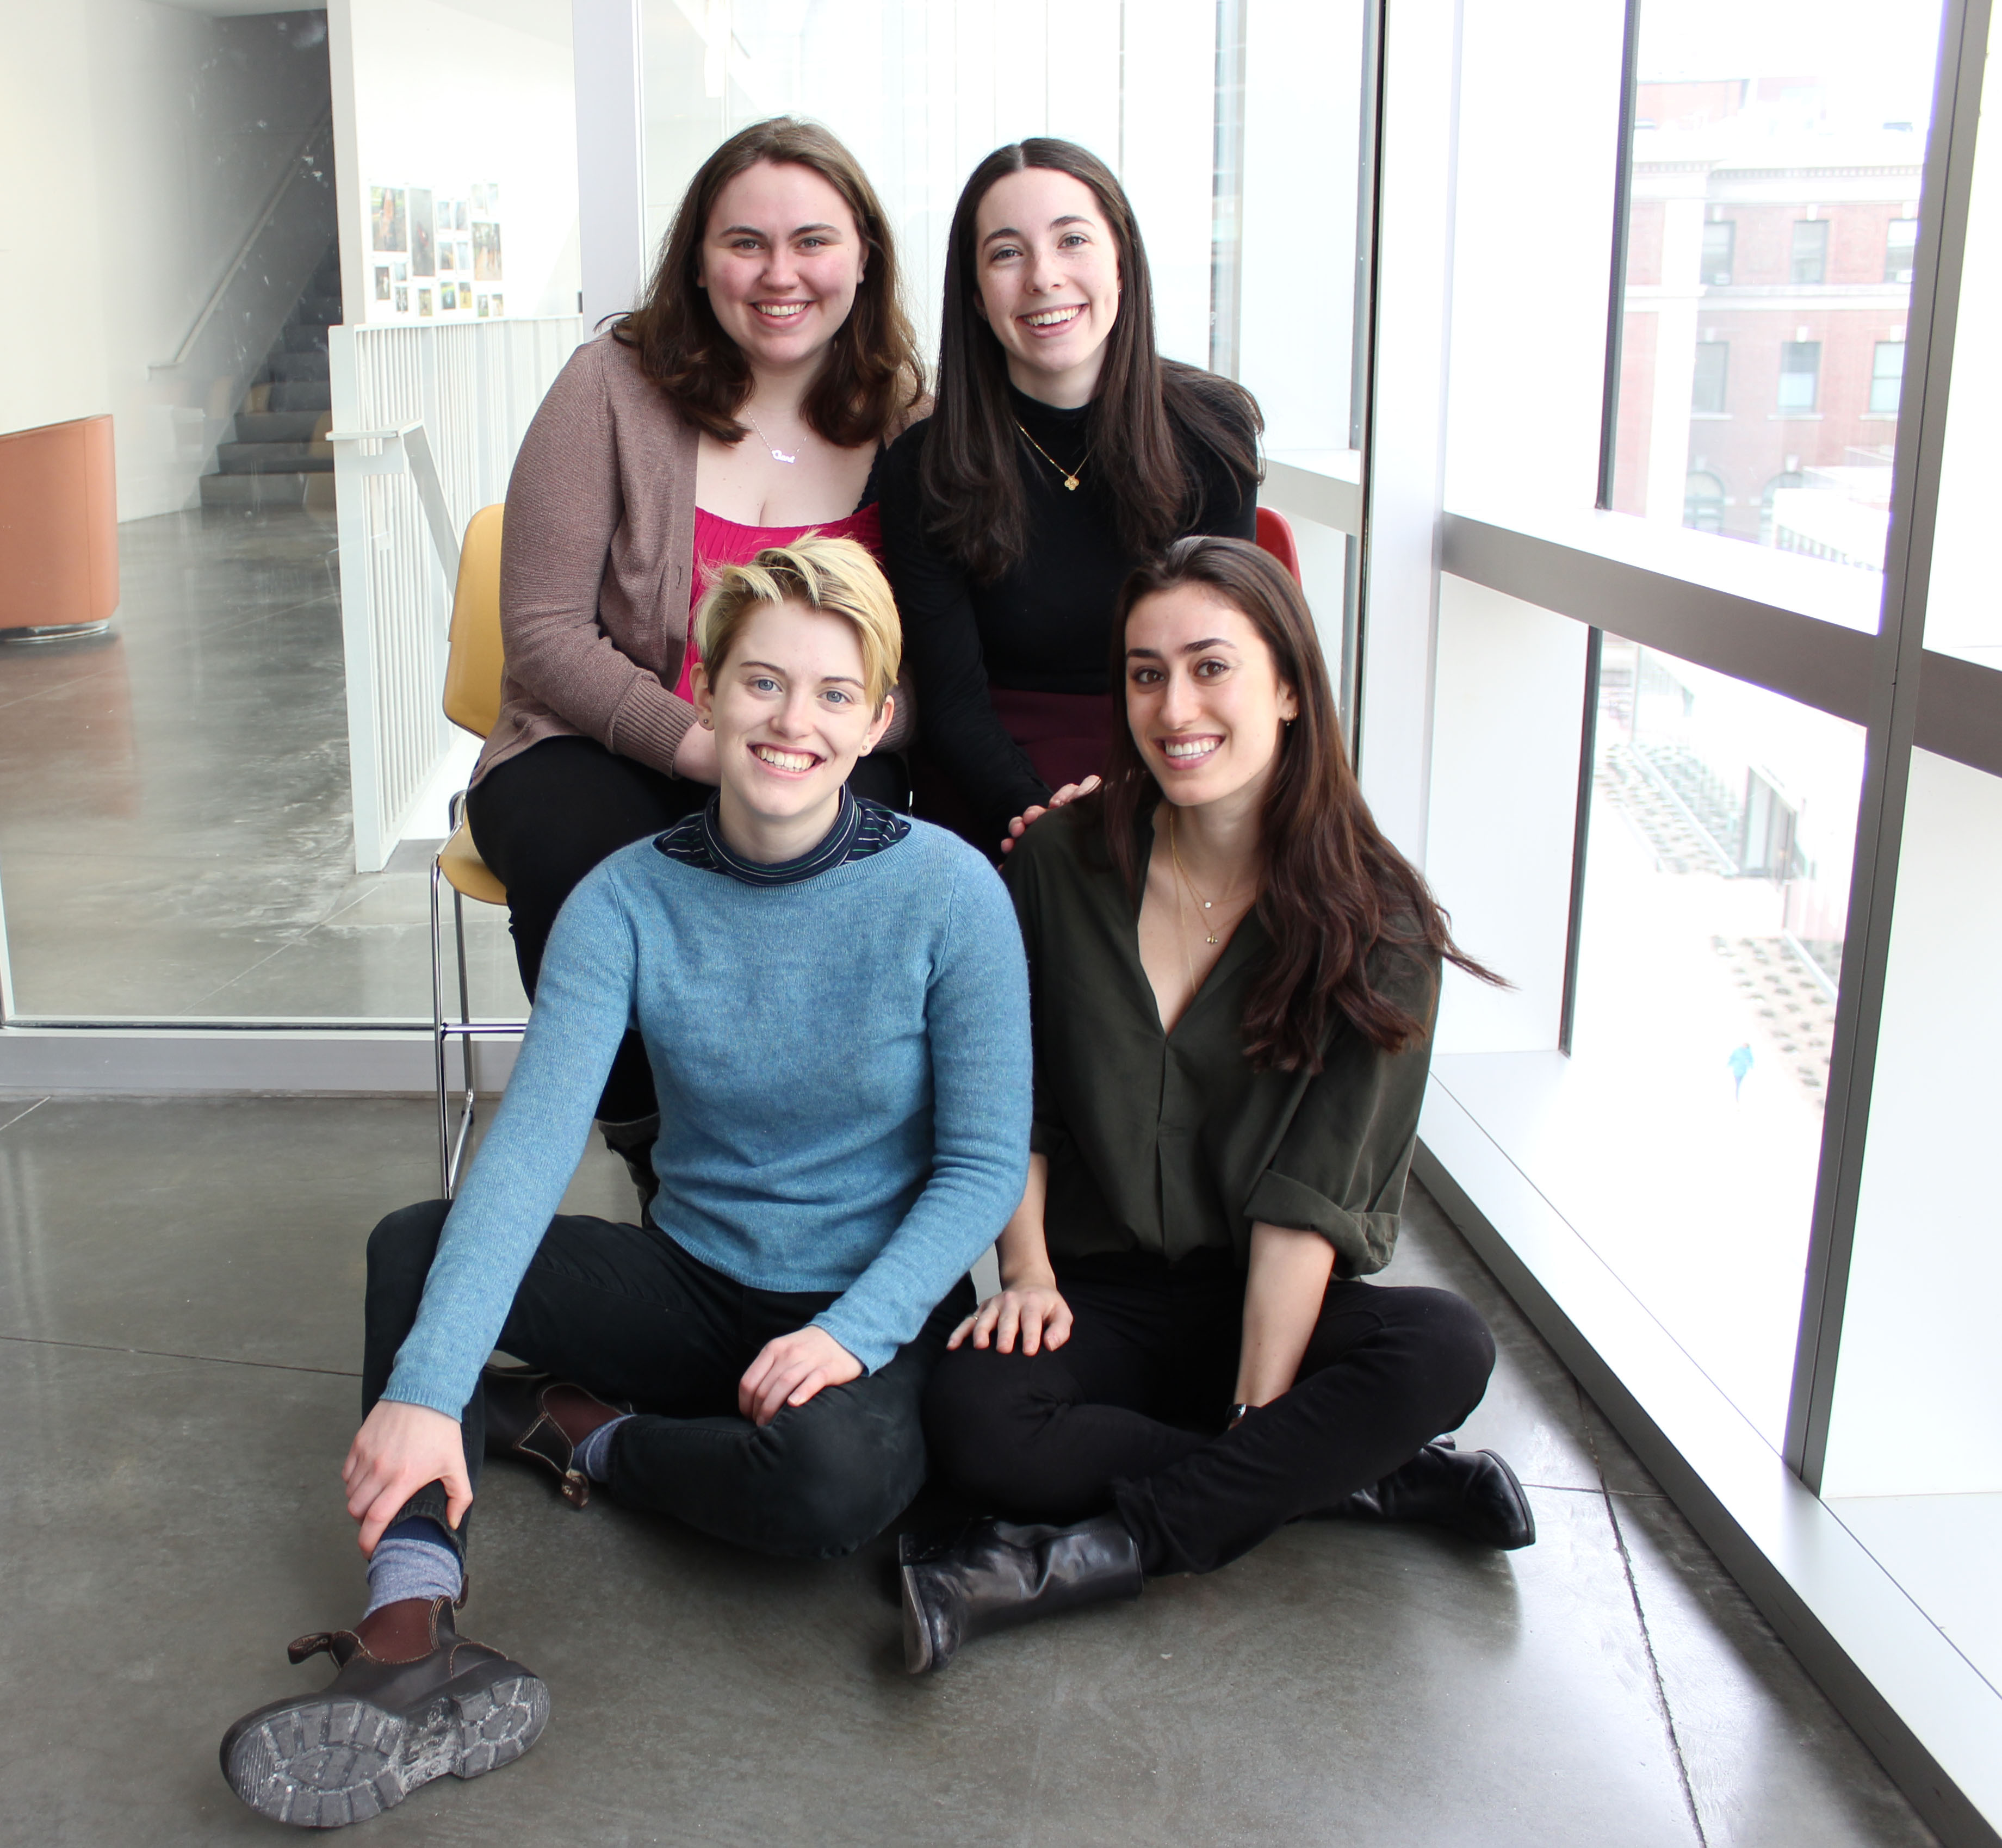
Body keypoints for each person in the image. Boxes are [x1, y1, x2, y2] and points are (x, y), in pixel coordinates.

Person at [220, 538, 1030, 1825]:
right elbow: (535, 1144)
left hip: (863, 1306)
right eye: (761, 683)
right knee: (408, 1248)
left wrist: (851, 1331)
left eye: (832, 694)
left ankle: (593, 1431)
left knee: (829, 1494)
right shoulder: (624, 899)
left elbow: (984, 1162)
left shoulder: (950, 892)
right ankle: (408, 1620)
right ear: (703, 690)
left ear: (877, 720)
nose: (792, 723)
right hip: (692, 1281)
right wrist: (429, 1388)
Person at [901, 537, 1532, 1676]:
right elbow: (1019, 1102)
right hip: (1101, 1294)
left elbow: (1306, 1203)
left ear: (1287, 685)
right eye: (1144, 674)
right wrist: (1029, 1276)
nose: (1173, 706)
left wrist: (1259, 1405)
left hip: (1270, 1297)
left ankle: (1108, 1548)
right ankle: (1350, 1473)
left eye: (1209, 667)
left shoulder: (1378, 926)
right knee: (971, 1418)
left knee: (1443, 1344)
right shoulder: (1055, 864)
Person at [466, 117, 927, 1196]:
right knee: (596, 856)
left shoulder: (916, 422)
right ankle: (652, 1150)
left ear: (862, 253)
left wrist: (848, 736)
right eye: (744, 243)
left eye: (811, 240)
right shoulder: (610, 388)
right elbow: (539, 632)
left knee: (867, 870)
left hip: (829, 746)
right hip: (606, 733)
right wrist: (700, 748)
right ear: (697, 259)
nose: (780, 275)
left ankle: (825, 1180)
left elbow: (935, 662)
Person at [877, 138, 1262, 855]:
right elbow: (953, 700)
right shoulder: (922, 467)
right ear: (972, 291)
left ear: (1121, 259)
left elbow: (1221, 662)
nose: (1042, 277)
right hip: (987, 779)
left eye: (1072, 240)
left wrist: (1134, 800)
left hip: (1176, 748)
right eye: (1005, 253)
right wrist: (1038, 819)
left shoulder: (1212, 434)